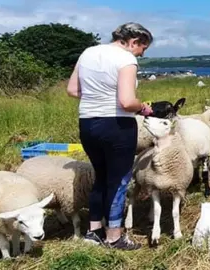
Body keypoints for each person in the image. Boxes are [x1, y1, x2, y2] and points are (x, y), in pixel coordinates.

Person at [66, 22, 153, 250]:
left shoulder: (88, 52)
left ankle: (94, 231)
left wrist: (98, 97)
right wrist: (142, 107)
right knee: (119, 180)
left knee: (101, 177)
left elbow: (73, 90)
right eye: (143, 48)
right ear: (133, 41)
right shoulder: (126, 59)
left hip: (88, 123)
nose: (142, 54)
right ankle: (114, 236)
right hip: (116, 125)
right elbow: (126, 101)